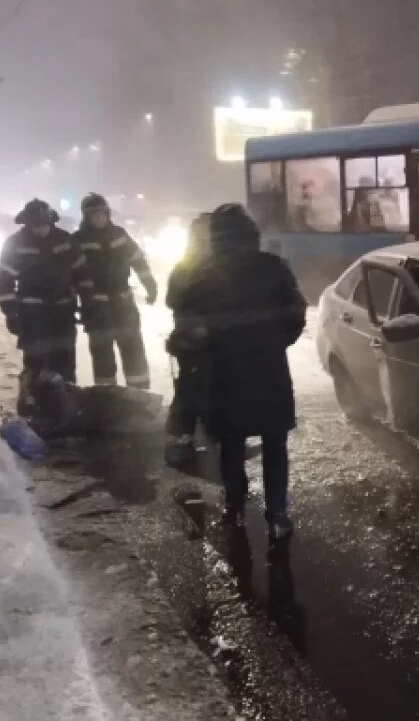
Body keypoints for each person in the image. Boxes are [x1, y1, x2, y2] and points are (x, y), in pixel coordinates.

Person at [177, 204, 306, 539]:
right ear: (251, 234)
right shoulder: (273, 267)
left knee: (231, 443)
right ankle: (277, 513)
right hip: (269, 369)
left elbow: (186, 320)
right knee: (274, 443)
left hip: (224, 371)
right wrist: (275, 342)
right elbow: (296, 313)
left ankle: (234, 507)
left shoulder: (203, 273)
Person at [0, 199, 94, 398]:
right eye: (36, 226)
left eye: (44, 225)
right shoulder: (15, 243)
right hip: (31, 313)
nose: (41, 230)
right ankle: (32, 404)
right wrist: (11, 313)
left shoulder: (65, 241)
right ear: (27, 224)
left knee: (65, 359)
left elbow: (82, 273)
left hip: (63, 310)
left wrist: (89, 303)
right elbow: (4, 280)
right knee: (35, 361)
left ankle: (65, 401)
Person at [73, 194, 158, 389]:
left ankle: (140, 397)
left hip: (124, 304)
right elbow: (71, 274)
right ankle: (107, 398)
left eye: (102, 213)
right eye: (94, 215)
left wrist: (150, 285)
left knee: (134, 351)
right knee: (103, 356)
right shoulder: (78, 240)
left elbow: (138, 261)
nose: (99, 218)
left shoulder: (119, 234)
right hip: (96, 308)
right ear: (86, 217)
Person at [164, 212, 212, 466]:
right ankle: (183, 437)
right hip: (192, 340)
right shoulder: (186, 265)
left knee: (214, 387)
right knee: (188, 388)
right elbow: (172, 299)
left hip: (212, 338)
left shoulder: (223, 262)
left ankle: (214, 435)